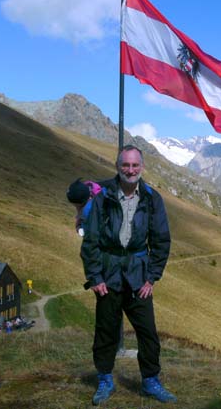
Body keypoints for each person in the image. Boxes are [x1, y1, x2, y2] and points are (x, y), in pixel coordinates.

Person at [80, 145, 176, 405]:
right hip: (108, 276)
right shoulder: (103, 197)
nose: (130, 170)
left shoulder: (151, 198)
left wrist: (152, 277)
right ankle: (104, 379)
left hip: (138, 276)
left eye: (135, 165)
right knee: (106, 331)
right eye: (126, 165)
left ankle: (150, 381)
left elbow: (161, 240)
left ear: (141, 167)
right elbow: (90, 241)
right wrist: (95, 277)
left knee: (147, 332)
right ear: (117, 166)